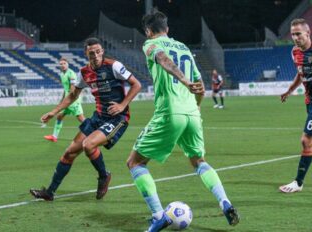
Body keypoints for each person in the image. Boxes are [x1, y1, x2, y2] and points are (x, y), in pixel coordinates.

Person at [126, 11, 240, 232]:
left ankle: (159, 215)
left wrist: (184, 81)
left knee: (135, 163)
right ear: (167, 29)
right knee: (199, 161)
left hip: (170, 112)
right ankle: (224, 201)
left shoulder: (150, 44)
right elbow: (201, 87)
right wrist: (194, 109)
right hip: (192, 113)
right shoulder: (184, 47)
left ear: (148, 31)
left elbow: (163, 59)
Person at [30, 37, 142, 201]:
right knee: (69, 153)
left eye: (98, 52)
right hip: (97, 117)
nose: (95, 56)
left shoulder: (114, 66)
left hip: (117, 119)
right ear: (86, 54)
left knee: (88, 145)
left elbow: (136, 84)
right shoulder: (83, 73)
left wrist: (123, 105)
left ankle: (104, 176)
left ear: (102, 51)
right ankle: (50, 192)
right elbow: (73, 95)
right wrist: (53, 112)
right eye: (91, 53)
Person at [279, 18, 312, 193]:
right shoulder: (294, 52)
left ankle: (298, 182)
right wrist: (289, 90)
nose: (295, 37)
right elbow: (300, 73)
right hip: (310, 102)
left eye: (298, 34)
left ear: (308, 33)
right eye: (293, 34)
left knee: (306, 140)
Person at [44, 58, 85, 142]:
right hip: (67, 99)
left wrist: (70, 99)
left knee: (81, 118)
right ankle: (54, 136)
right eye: (61, 64)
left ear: (68, 64)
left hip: (72, 100)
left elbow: (73, 88)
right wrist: (62, 100)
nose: (62, 65)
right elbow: (65, 89)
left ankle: (95, 133)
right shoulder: (62, 74)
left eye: (64, 63)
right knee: (59, 116)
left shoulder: (71, 73)